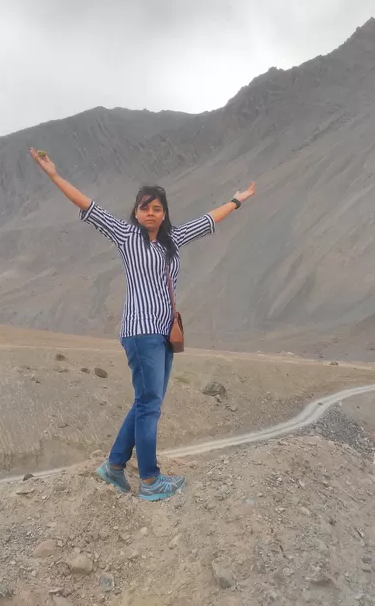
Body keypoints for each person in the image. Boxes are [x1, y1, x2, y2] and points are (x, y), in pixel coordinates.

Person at [30, 147, 255, 501]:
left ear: (164, 214)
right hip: (140, 332)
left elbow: (209, 220)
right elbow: (87, 206)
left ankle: (114, 467)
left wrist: (237, 200)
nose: (150, 213)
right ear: (135, 212)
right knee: (150, 406)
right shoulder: (125, 235)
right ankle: (150, 481)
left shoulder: (173, 240)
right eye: (144, 208)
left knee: (146, 403)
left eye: (157, 208)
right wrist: (53, 174)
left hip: (165, 334)